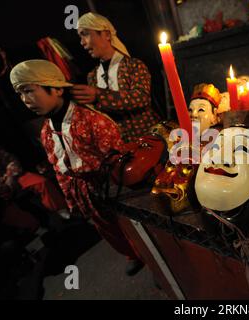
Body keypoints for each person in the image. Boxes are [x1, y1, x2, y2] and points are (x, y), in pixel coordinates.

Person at [10, 59, 144, 276]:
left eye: (29, 91)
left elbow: (117, 158)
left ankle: (154, 261)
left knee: (132, 227)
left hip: (112, 188)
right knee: (109, 231)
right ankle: (132, 254)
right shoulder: (46, 131)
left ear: (55, 88)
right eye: (20, 94)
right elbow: (59, 168)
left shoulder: (90, 119)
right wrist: (72, 201)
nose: (25, 100)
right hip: (86, 195)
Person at [71, 12, 160, 143]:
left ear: (106, 34)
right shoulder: (92, 76)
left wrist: (99, 95)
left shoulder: (133, 65)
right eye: (80, 37)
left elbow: (141, 98)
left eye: (85, 34)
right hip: (118, 147)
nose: (82, 42)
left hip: (147, 140)